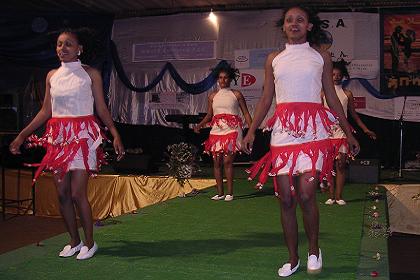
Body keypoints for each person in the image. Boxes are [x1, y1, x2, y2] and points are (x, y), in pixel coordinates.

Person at [242, 6, 360, 277]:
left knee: (306, 194)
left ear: (309, 26)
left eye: (300, 20)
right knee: (285, 199)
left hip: (313, 134)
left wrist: (349, 132)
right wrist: (250, 131)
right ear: (283, 27)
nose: (294, 23)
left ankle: (314, 250)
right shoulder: (274, 58)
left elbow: (331, 97)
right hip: (283, 134)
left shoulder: (321, 57)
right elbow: (265, 99)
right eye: (289, 20)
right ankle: (293, 257)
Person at [9, 29, 125, 260]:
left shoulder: (90, 74)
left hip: (82, 137)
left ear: (80, 48)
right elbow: (45, 111)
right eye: (59, 44)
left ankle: (90, 243)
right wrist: (22, 135)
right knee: (62, 194)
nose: (63, 48)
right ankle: (74, 241)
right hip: (59, 139)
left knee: (76, 194)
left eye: (69, 44)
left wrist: (115, 133)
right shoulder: (52, 76)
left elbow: (101, 108)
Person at [194, 64, 252, 201]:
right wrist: (199, 125)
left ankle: (230, 193)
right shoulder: (212, 96)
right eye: (220, 78)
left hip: (232, 130)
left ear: (230, 79)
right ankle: (220, 193)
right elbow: (209, 115)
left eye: (226, 78)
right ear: (217, 79)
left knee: (227, 162)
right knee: (216, 162)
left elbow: (246, 113)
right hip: (216, 130)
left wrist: (252, 130)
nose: (223, 80)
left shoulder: (236, 94)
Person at [323, 60, 376, 206]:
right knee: (328, 166)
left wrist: (365, 130)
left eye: (339, 75)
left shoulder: (347, 94)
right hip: (326, 133)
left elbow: (354, 115)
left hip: (342, 132)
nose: (336, 77)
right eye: (333, 74)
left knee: (341, 164)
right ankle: (331, 195)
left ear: (343, 76)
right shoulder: (322, 93)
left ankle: (339, 196)